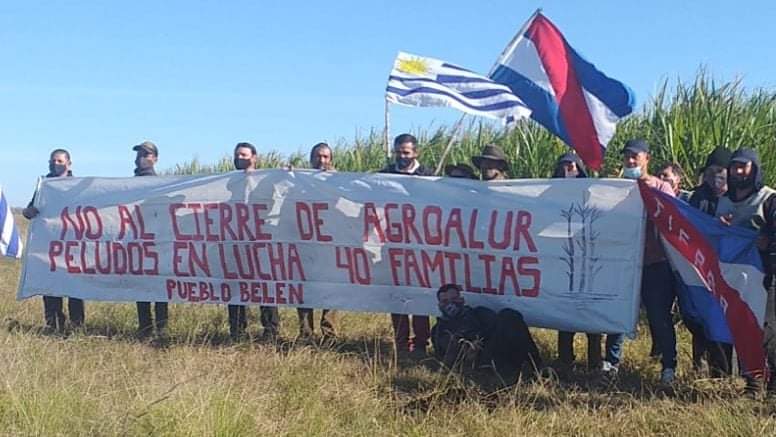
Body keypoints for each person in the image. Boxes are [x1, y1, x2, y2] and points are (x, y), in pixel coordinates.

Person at [716, 147, 776, 393]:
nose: (738, 171)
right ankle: (753, 382)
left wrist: (768, 240)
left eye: (744, 166)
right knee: (743, 327)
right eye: (734, 166)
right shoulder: (724, 200)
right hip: (736, 278)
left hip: (767, 273)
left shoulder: (769, 199)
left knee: (768, 330)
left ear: (754, 168)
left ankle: (773, 384)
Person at [621, 139, 678, 384]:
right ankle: (611, 362)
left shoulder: (661, 187)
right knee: (618, 312)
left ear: (647, 159)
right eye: (627, 157)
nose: (631, 161)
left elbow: (672, 220)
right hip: (625, 263)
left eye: (636, 156)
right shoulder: (619, 187)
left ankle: (669, 365)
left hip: (655, 263)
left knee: (658, 316)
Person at [380, 133, 432, 357]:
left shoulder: (429, 176)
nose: (402, 156)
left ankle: (420, 343)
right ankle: (401, 342)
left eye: (406, 153)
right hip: (392, 244)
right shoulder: (385, 176)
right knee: (397, 295)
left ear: (416, 153)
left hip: (422, 246)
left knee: (420, 295)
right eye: (398, 152)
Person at [22, 149, 85, 333]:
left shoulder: (79, 186)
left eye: (59, 161)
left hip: (72, 246)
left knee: (74, 287)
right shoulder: (44, 186)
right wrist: (29, 212)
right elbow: (28, 210)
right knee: (50, 285)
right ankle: (54, 324)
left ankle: (77, 325)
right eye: (52, 161)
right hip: (49, 245)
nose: (55, 164)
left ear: (69, 163)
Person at [684, 146, 734, 377]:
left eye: (721, 171)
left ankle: (722, 372)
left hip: (730, 267)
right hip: (701, 266)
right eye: (712, 171)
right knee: (698, 316)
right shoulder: (698, 196)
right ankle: (700, 364)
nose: (716, 176)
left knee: (724, 319)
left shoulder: (738, 197)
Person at [551, 152, 603, 370]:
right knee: (565, 316)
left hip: (589, 259)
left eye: (572, 166)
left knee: (591, 316)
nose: (567, 170)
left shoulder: (592, 192)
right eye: (563, 166)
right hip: (563, 260)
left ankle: (595, 362)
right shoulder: (550, 193)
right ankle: (565, 360)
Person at [228, 142, 281, 341]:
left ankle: (270, 330)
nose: (240, 158)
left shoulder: (267, 180)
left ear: (254, 157)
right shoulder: (228, 182)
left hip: (262, 242)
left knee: (265, 287)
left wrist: (289, 174)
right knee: (235, 287)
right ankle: (237, 331)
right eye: (236, 155)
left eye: (243, 154)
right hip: (237, 243)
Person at [431, 283, 542, 377]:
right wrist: (468, 350)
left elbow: (501, 328)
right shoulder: (438, 330)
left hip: (498, 352)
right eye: (445, 301)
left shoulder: (478, 313)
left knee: (508, 315)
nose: (450, 304)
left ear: (462, 300)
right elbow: (446, 357)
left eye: (454, 299)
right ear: (439, 305)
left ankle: (537, 366)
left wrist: (481, 339)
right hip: (480, 364)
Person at [296, 142, 336, 340]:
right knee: (304, 288)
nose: (322, 161)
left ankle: (329, 333)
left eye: (326, 157)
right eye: (318, 157)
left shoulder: (339, 181)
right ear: (311, 159)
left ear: (331, 160)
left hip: (331, 244)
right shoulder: (298, 181)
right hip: (305, 244)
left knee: (332, 288)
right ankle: (306, 333)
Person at [132, 141, 168, 339]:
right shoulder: (130, 184)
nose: (140, 158)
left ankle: (161, 328)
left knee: (159, 286)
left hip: (158, 242)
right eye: (139, 154)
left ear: (155, 158)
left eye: (145, 154)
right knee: (141, 285)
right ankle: (144, 327)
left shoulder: (160, 185)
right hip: (136, 242)